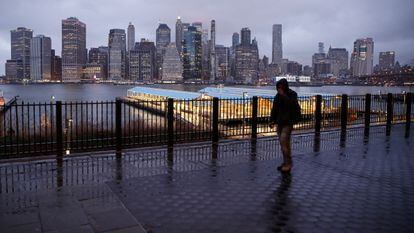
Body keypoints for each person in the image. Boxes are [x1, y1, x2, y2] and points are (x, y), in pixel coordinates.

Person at [270, 78, 301, 173]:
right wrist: (272, 120)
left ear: (285, 87)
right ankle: (286, 162)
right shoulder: (277, 96)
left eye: (281, 87)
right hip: (280, 122)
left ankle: (288, 164)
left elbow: (291, 105)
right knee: (283, 144)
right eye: (278, 87)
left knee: (284, 141)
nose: (279, 89)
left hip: (288, 122)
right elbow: (274, 109)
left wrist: (283, 95)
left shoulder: (292, 94)